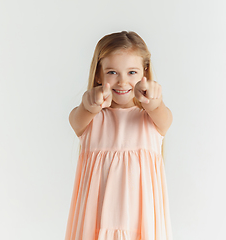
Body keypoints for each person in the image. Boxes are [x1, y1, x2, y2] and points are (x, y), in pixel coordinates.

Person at [65, 31, 173, 240]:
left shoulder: (151, 118)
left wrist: (154, 102)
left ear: (144, 72)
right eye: (113, 72)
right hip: (96, 224)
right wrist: (91, 104)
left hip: (141, 224)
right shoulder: (91, 119)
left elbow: (165, 117)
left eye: (132, 72)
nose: (122, 82)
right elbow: (77, 118)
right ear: (99, 74)